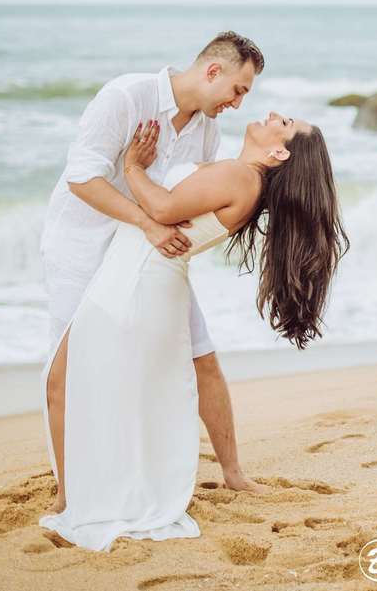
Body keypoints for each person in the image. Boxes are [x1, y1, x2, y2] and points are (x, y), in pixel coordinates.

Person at [39, 110, 348, 551]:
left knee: (64, 381)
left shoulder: (242, 177)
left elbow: (161, 208)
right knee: (96, 384)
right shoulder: (241, 177)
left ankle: (76, 495)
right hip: (146, 278)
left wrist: (131, 168)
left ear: (279, 151)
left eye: (287, 122)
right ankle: (83, 488)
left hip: (136, 279)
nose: (275, 114)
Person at [39, 32, 264, 515]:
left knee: (200, 352)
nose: (238, 102)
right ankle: (66, 492)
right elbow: (82, 177)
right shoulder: (127, 97)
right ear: (212, 71)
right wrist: (146, 222)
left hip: (149, 257)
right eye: (238, 89)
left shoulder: (206, 131)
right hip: (82, 245)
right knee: (67, 369)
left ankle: (233, 473)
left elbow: (185, 205)